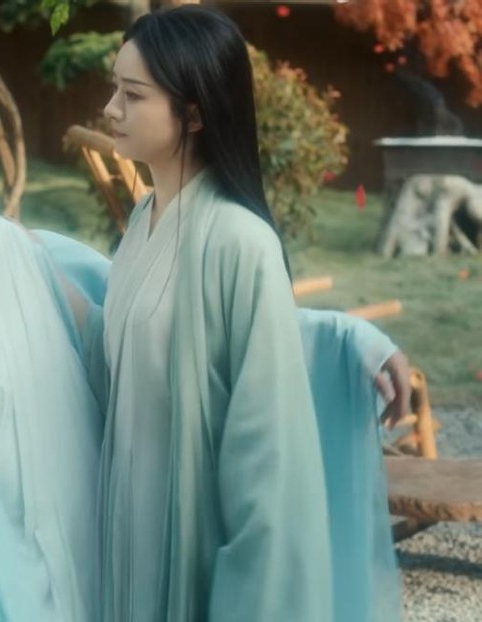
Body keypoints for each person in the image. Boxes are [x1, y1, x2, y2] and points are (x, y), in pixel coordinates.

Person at [0, 125, 405, 619]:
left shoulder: (40, 258)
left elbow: (187, 335)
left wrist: (346, 342)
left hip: (124, 578)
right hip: (5, 597)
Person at [94, 6, 402, 620]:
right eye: (114, 89)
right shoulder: (143, 222)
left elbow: (266, 440)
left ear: (194, 113)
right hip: (131, 530)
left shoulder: (240, 240)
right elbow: (177, 333)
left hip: (194, 536)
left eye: (132, 94)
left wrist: (350, 340)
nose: (110, 109)